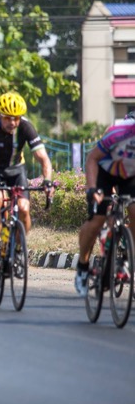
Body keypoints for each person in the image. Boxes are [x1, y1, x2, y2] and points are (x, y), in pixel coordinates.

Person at [0, 91, 55, 272]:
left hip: (16, 170)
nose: (12, 122)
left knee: (23, 208)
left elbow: (43, 158)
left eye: (16, 118)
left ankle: (19, 249)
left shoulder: (26, 127)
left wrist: (48, 181)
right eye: (7, 118)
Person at [74, 118, 135, 296]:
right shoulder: (118, 133)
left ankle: (124, 258)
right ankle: (82, 266)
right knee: (97, 220)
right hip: (105, 173)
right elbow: (92, 158)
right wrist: (92, 188)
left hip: (129, 177)